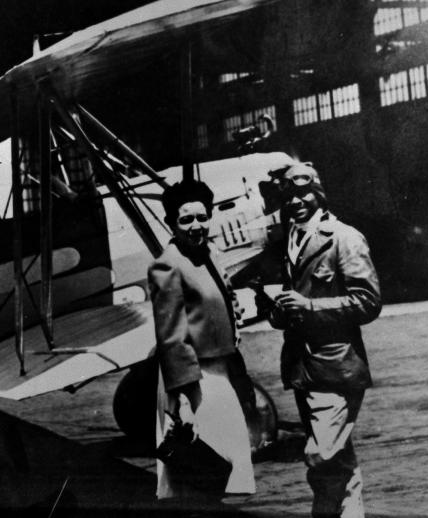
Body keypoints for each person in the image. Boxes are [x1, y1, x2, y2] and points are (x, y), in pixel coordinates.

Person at [259, 163, 381, 518]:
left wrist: (309, 306)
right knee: (340, 459)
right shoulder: (289, 243)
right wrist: (276, 309)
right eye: (288, 196)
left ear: (318, 193)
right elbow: (288, 307)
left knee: (322, 456)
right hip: (303, 370)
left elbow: (368, 302)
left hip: (335, 367)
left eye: (303, 193)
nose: (295, 201)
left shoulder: (344, 238)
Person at [149, 180, 255, 499]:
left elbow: (222, 300)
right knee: (207, 468)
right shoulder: (167, 264)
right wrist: (182, 400)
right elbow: (172, 338)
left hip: (220, 373)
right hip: (195, 382)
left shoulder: (208, 254)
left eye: (202, 217)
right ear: (171, 223)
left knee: (225, 466)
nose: (197, 226)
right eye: (186, 220)